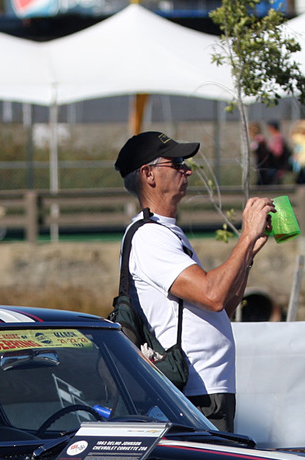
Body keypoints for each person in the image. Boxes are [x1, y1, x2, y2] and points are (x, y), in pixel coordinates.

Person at [114, 130, 273, 434]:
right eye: (176, 163)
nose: (187, 170)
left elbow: (222, 307)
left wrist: (249, 253)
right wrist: (246, 234)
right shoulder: (150, 236)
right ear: (149, 174)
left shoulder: (168, 232)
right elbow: (212, 294)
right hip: (190, 392)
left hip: (207, 387)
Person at [251, 120, 288, 186]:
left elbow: (278, 153)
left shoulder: (278, 138)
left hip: (274, 167)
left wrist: (268, 152)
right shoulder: (276, 138)